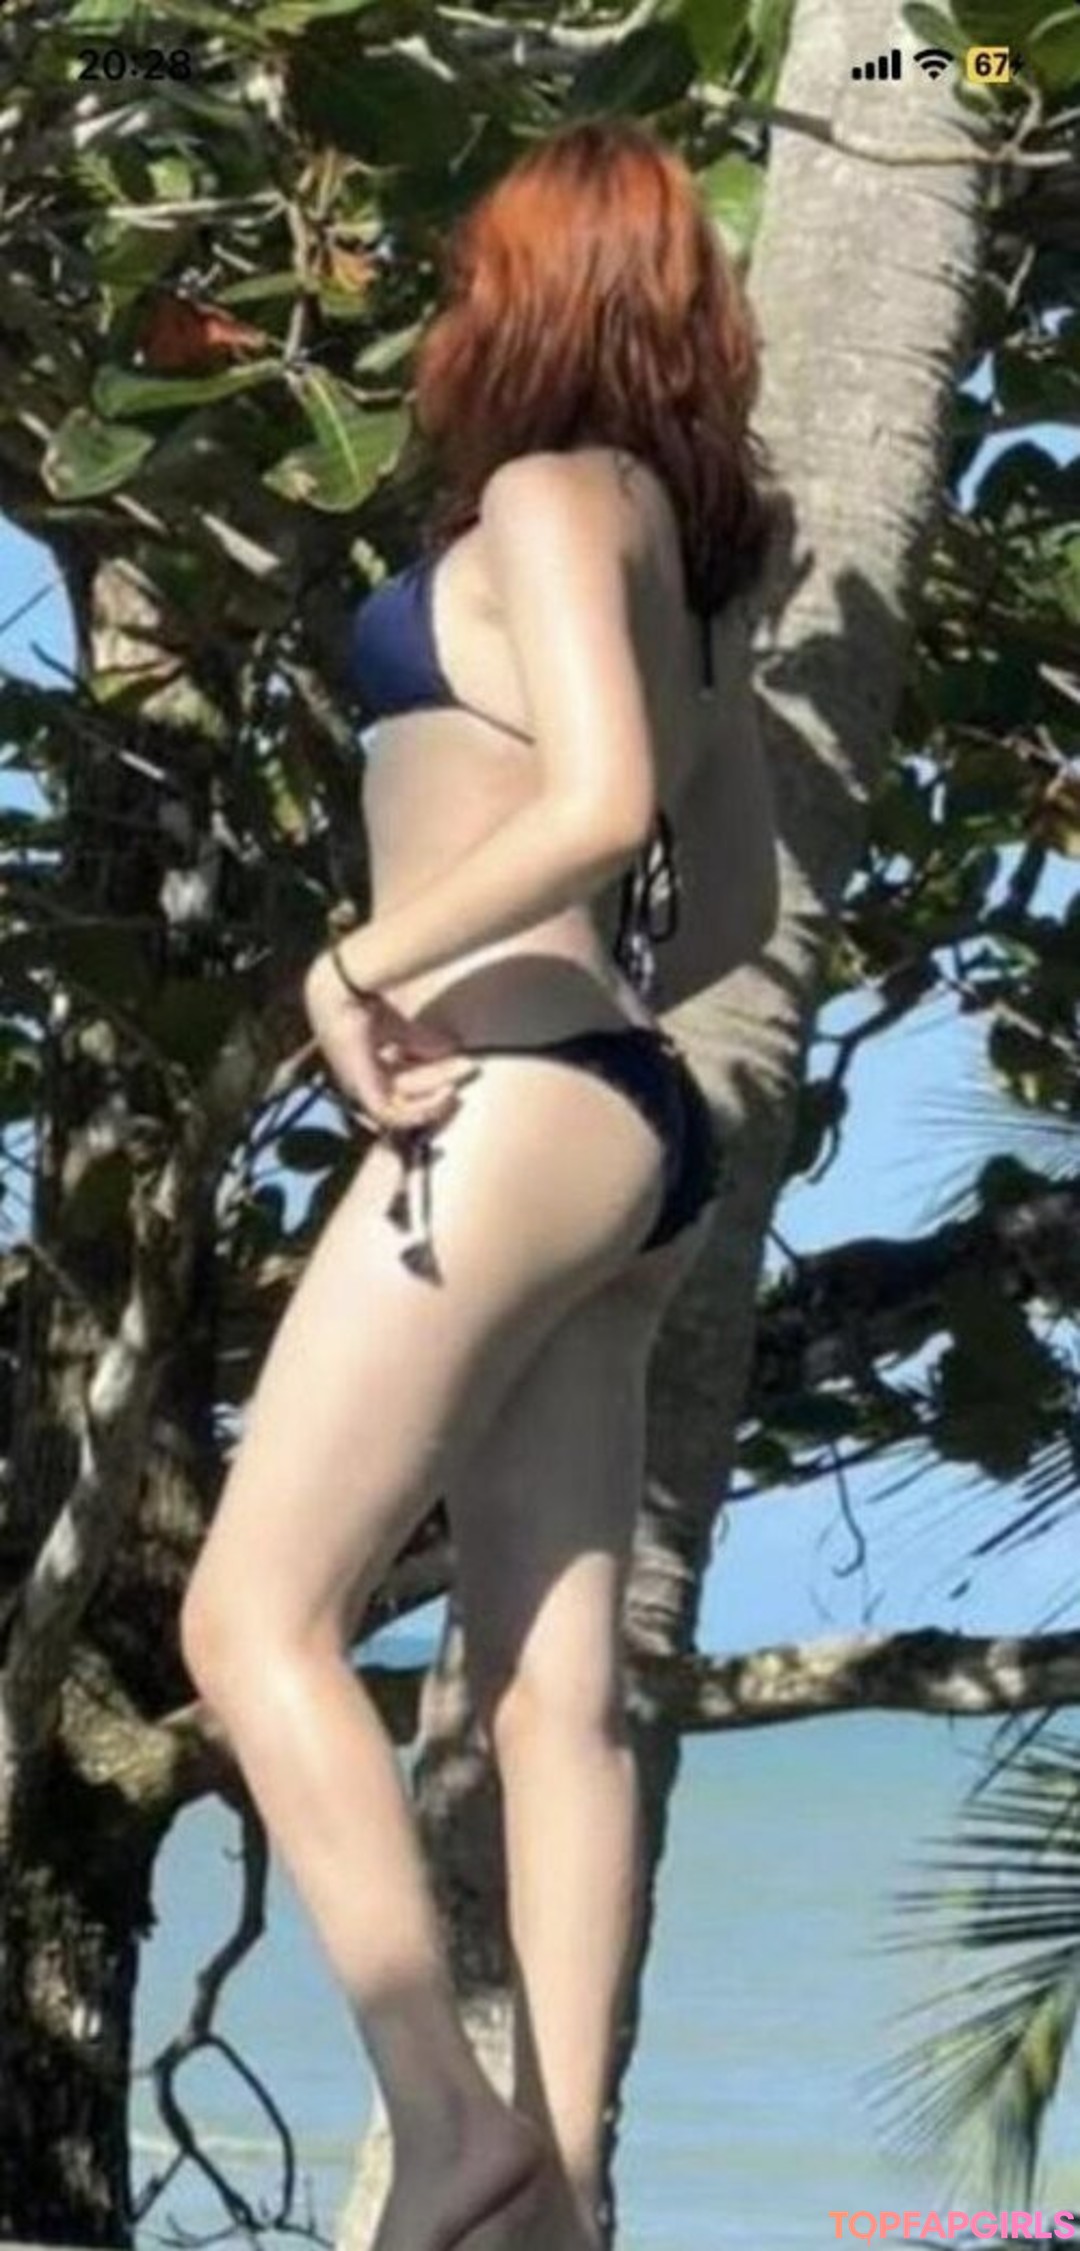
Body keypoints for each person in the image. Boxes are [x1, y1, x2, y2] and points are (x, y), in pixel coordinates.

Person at [179, 115, 780, 2251]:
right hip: (633, 1120)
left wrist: (361, 961)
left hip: (517, 1105)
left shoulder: (544, 497)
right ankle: (566, 2187)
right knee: (553, 1686)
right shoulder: (695, 557)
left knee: (249, 1613)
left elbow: (601, 808)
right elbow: (725, 910)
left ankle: (448, 2125)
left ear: (528, 293)